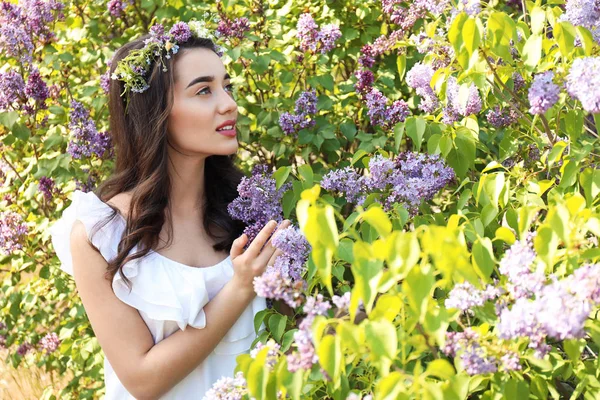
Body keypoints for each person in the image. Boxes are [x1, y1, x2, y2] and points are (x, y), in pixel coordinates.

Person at [49, 20, 289, 399]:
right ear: (155, 111)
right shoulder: (102, 234)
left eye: (227, 86)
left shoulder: (252, 212)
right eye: (204, 90)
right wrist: (240, 287)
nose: (229, 104)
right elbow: (143, 380)